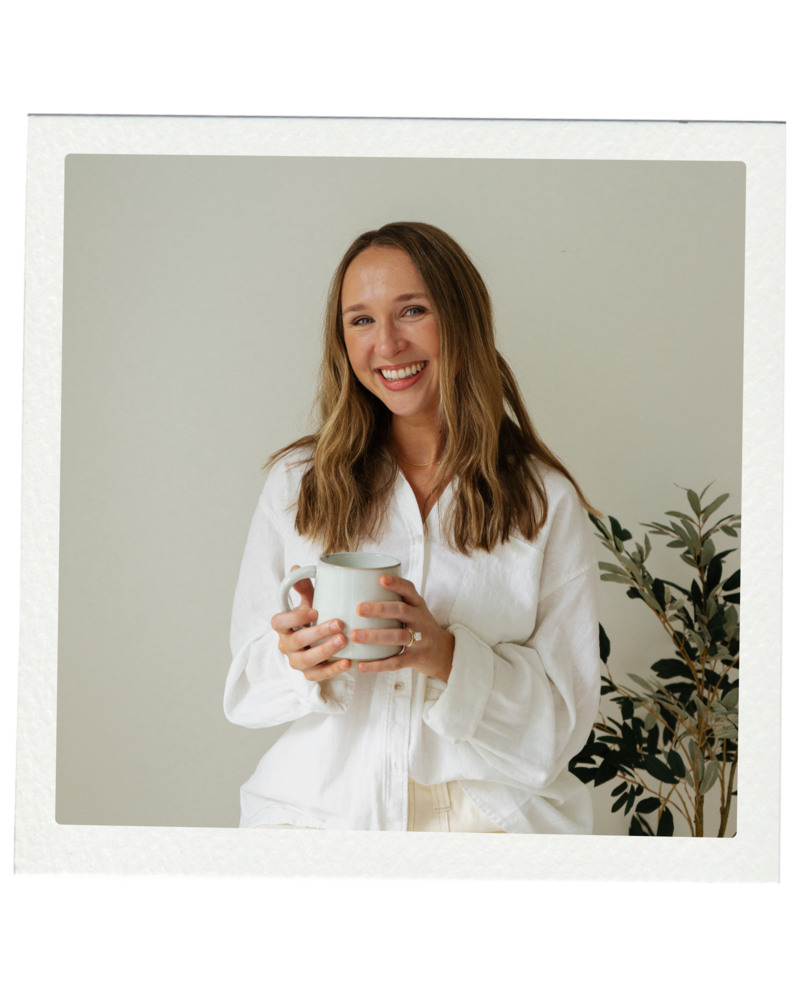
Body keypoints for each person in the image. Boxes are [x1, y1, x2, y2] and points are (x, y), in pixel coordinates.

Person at [224, 222, 602, 833]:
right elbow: (246, 684)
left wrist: (448, 657)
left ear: (461, 320)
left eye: (413, 311)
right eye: (362, 320)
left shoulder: (542, 501)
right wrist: (296, 660)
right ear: (341, 340)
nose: (388, 344)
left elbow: (563, 724)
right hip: (319, 817)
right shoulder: (297, 485)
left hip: (493, 824)